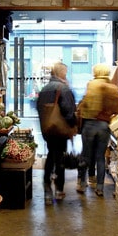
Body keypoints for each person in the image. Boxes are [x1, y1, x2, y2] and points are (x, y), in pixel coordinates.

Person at [36, 62, 77, 205]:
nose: (66, 74)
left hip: (47, 129)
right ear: (61, 73)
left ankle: (47, 191)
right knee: (59, 158)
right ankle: (59, 190)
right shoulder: (63, 88)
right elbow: (68, 110)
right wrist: (73, 124)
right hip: (60, 130)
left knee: (51, 156)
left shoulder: (44, 89)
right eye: (65, 72)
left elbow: (39, 108)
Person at [77, 63, 118, 196]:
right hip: (104, 125)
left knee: (85, 155)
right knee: (100, 157)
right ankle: (100, 188)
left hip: (90, 124)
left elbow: (85, 104)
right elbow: (116, 108)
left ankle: (82, 184)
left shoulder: (92, 85)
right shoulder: (113, 87)